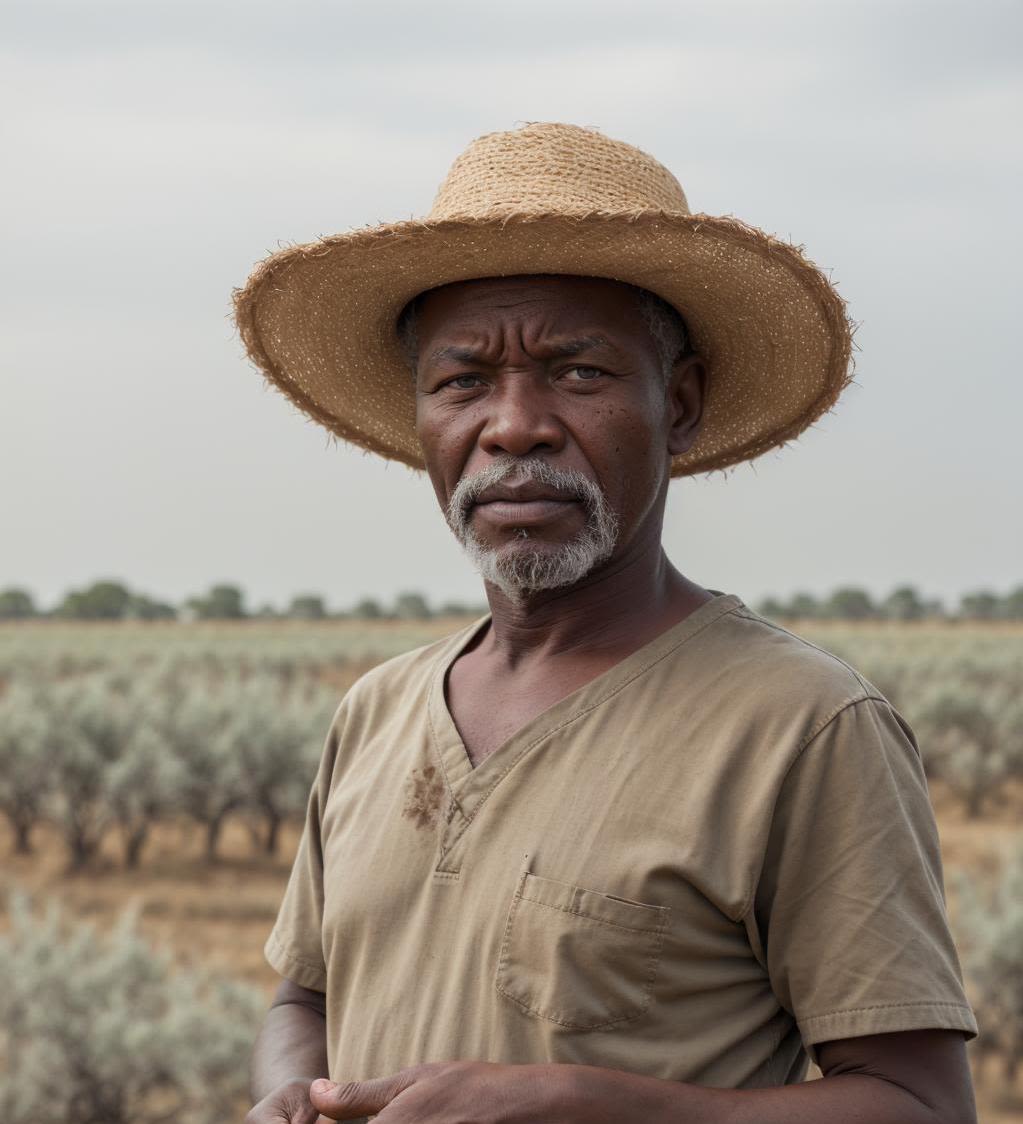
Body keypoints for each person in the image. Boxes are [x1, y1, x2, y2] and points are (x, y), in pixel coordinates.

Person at [235, 123, 978, 1124]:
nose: (514, 424)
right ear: (422, 421)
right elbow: (306, 993)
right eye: (463, 381)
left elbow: (918, 1104)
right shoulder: (377, 710)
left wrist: (593, 1101)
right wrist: (290, 1093)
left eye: (578, 372)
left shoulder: (800, 724)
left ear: (678, 406)